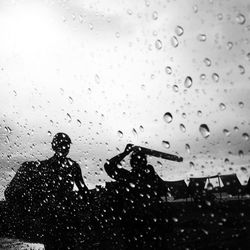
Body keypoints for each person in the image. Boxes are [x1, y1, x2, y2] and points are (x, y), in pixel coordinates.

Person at [4, 132, 89, 249]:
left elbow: (84, 191)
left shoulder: (58, 167)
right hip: (58, 218)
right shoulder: (68, 166)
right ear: (55, 146)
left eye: (66, 145)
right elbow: (84, 192)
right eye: (63, 144)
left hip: (58, 217)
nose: (65, 148)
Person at [104, 144, 172, 249]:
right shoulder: (140, 176)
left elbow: (109, 166)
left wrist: (125, 152)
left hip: (139, 221)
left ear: (132, 163)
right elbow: (163, 190)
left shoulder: (128, 176)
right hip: (144, 221)